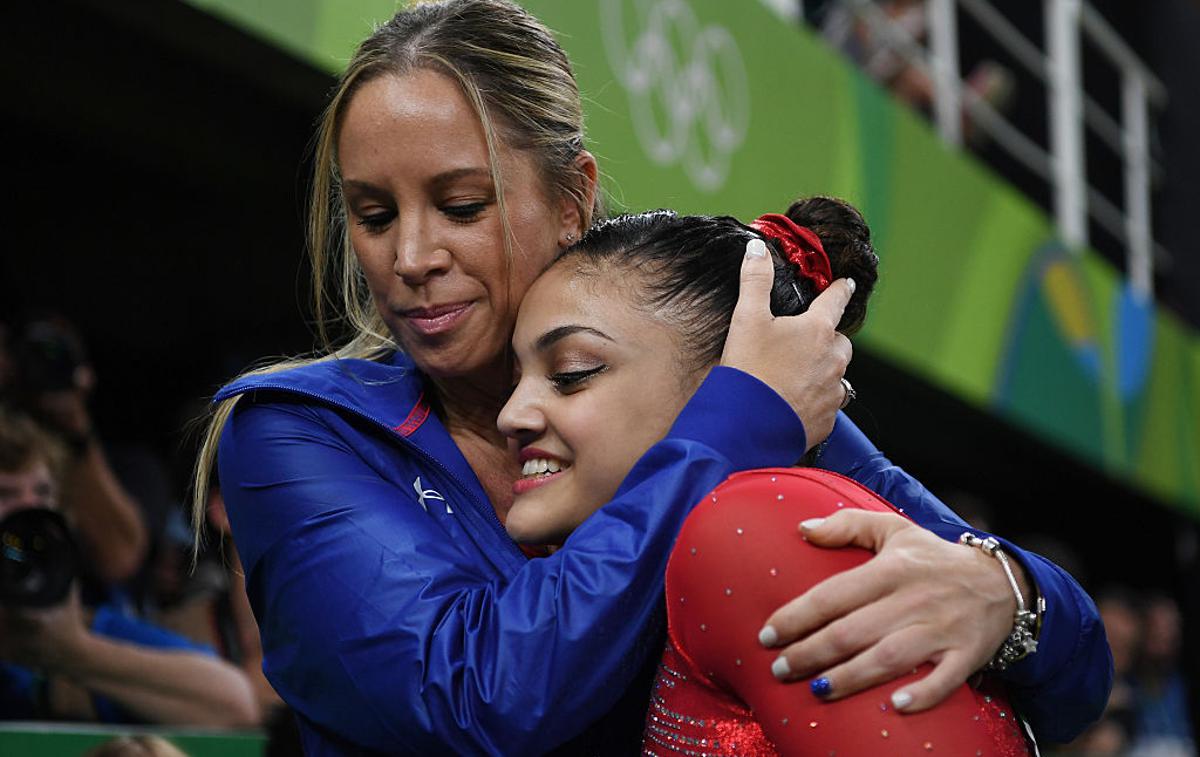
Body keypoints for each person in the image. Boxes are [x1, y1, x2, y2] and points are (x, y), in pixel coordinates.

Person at [194, 1, 1109, 753]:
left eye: (461, 204)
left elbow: (1075, 674)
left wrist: (1004, 595)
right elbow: (472, 701)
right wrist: (731, 421)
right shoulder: (294, 430)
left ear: (572, 198)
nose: (413, 255)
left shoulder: (711, 374)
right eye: (373, 213)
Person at [498, 201, 1037, 754]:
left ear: (735, 381)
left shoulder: (752, 526)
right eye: (511, 382)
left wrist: (1021, 594)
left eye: (570, 373)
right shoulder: (705, 541)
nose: (509, 416)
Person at [0, 408, 259, 727]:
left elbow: (235, 703)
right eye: (6, 494)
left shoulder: (77, 626)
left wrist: (70, 650)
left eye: (43, 492)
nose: (32, 511)